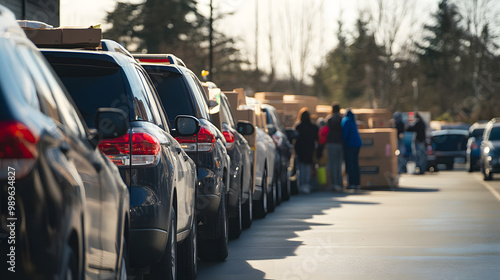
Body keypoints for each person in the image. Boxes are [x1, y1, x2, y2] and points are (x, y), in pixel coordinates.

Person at [294, 108, 319, 194]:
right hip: (309, 149)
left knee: (301, 167)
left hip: (300, 149)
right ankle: (307, 184)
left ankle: (302, 184)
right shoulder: (313, 126)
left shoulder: (298, 126)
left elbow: (295, 138)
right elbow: (317, 137)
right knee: (308, 167)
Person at [341, 108, 362, 189]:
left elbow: (345, 133)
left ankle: (351, 183)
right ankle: (357, 183)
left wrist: (343, 142)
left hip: (350, 144)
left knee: (350, 164)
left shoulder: (345, 120)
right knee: (355, 163)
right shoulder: (353, 120)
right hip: (357, 143)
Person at [325, 103, 344, 191]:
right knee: (339, 164)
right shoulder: (342, 119)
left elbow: (325, 130)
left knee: (332, 164)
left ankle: (334, 183)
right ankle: (340, 183)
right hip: (340, 143)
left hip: (331, 143)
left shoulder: (330, 119)